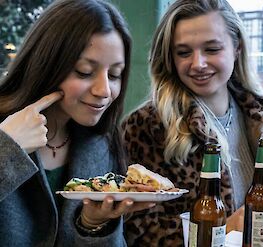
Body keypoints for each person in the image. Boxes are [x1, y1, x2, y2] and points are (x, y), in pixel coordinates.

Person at [121, 1, 263, 246]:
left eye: (212, 49)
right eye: (184, 52)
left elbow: (245, 212)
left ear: (237, 47)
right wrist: (225, 227)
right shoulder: (146, 124)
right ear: (170, 57)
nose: (198, 63)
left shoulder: (259, 115)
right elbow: (138, 233)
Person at [0, 0, 154, 246]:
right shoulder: (5, 130)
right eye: (84, 72)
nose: (104, 90)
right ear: (47, 65)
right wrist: (7, 149)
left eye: (114, 75)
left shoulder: (101, 145)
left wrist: (92, 226)